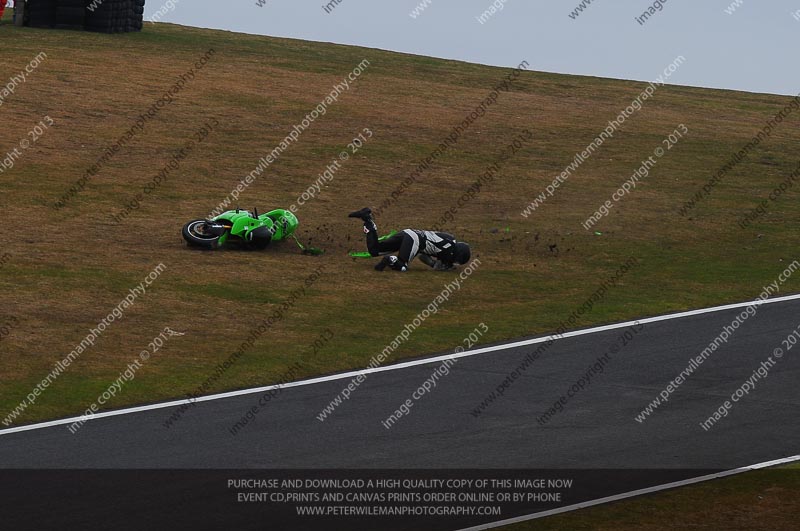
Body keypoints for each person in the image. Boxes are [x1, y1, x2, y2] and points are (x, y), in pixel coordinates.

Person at [349, 207, 471, 272]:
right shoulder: (449, 250)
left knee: (374, 250)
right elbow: (437, 265)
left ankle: (367, 219)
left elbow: (423, 255)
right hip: (415, 239)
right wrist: (439, 266)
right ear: (457, 254)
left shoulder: (449, 239)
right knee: (402, 266)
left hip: (409, 233)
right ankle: (389, 259)